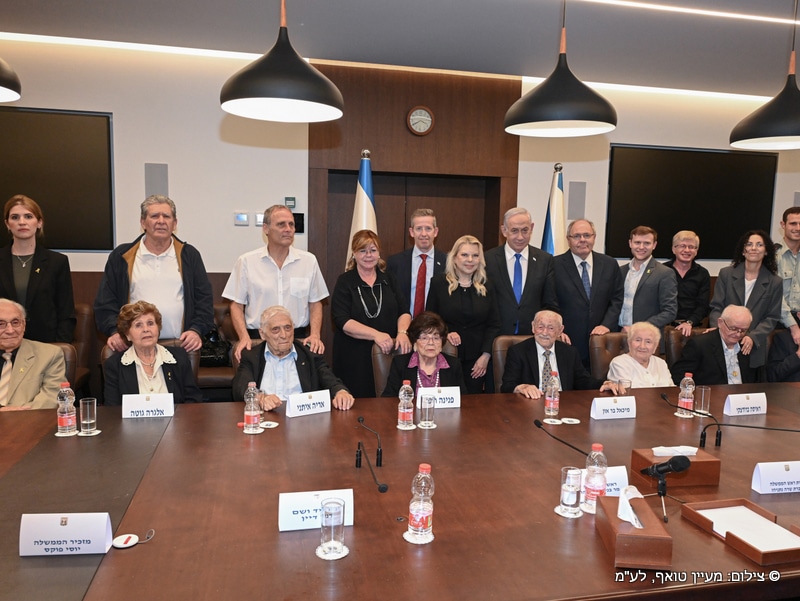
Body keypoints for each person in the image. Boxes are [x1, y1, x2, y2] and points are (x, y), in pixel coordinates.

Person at [95, 195, 214, 354]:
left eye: (166, 216)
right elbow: (105, 302)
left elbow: (204, 300)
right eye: (154, 216)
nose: (161, 221)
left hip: (180, 346)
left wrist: (196, 330)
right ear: (143, 222)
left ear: (174, 223)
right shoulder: (121, 256)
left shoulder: (189, 255)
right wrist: (114, 331)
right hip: (132, 347)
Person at [223, 205, 329, 360]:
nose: (288, 229)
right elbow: (236, 305)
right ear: (266, 228)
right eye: (281, 224)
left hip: (297, 340)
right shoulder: (246, 261)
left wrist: (315, 335)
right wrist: (244, 337)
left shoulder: (309, 261)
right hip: (258, 340)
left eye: (291, 224)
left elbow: (315, 303)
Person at [331, 230, 411, 398]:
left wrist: (403, 333)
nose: (368, 255)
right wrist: (376, 335)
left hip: (387, 352)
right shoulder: (345, 281)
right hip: (354, 357)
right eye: (363, 250)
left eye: (373, 250)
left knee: (388, 400)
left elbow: (404, 311)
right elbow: (342, 321)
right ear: (354, 253)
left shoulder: (389, 279)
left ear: (379, 253)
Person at [233, 306, 354, 410]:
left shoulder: (309, 354)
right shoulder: (251, 356)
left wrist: (341, 392)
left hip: (302, 420)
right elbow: (240, 387)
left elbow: (331, 381)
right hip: (265, 418)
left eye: (287, 328)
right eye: (276, 330)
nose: (284, 335)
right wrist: (260, 398)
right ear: (262, 334)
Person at [426, 235, 500, 393]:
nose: (470, 260)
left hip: (478, 360)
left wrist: (485, 356)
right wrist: (446, 332)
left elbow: (494, 324)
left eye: (475, 255)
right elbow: (430, 319)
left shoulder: (488, 285)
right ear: (454, 258)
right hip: (445, 355)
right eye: (465, 255)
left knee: (473, 403)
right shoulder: (439, 283)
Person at [0, 195, 75, 343]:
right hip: (4, 343)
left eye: (28, 216)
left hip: (45, 344)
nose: (22, 222)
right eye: (15, 217)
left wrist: (58, 347)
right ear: (7, 224)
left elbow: (66, 312)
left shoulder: (57, 262)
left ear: (39, 222)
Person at [103, 301, 202, 405]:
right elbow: (112, 408)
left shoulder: (179, 357)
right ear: (127, 334)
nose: (146, 329)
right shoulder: (114, 365)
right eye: (138, 325)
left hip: (176, 416)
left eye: (150, 323)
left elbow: (193, 400)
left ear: (158, 329)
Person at [500, 310, 618, 398]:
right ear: (533, 327)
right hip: (530, 405)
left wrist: (605, 383)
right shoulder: (518, 351)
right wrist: (521, 387)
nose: (544, 333)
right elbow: (507, 386)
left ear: (560, 331)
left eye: (551, 328)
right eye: (540, 327)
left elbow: (583, 380)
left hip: (563, 404)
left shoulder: (569, 352)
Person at [553, 219, 623, 367]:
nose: (582, 240)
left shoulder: (609, 264)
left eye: (587, 235)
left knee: (600, 381)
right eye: (576, 236)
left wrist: (606, 324)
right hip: (566, 339)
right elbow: (549, 301)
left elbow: (617, 299)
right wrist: (556, 329)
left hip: (602, 341)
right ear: (568, 239)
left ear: (594, 237)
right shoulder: (554, 265)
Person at [708, 230, 781, 370]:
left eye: (759, 244)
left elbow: (772, 317)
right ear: (743, 251)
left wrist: (753, 337)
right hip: (724, 339)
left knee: (747, 382)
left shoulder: (775, 282)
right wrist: (722, 331)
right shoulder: (726, 274)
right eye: (749, 244)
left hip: (752, 345)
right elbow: (716, 307)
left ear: (766, 251)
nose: (754, 248)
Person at [485, 207, 559, 335]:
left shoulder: (545, 260)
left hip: (532, 336)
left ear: (532, 228)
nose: (520, 237)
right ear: (504, 230)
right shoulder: (488, 259)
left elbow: (549, 302)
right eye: (514, 231)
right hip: (496, 335)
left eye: (525, 230)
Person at [0, 298, 65, 410]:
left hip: (29, 418)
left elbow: (51, 396)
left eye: (15, 323)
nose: (10, 330)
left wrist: (15, 414)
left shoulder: (50, 354)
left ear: (24, 325)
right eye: (1, 324)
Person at [381, 311, 466, 397]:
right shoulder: (400, 364)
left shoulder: (454, 365)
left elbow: (463, 399)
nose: (431, 343)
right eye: (424, 338)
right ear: (415, 342)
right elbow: (388, 399)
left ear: (442, 343)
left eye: (436, 338)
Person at [671, 305, 757, 385]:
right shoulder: (699, 344)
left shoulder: (746, 344)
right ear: (720, 323)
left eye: (743, 330)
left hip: (742, 394)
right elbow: (678, 377)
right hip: (712, 394)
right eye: (733, 328)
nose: (738, 334)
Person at [386, 208, 447, 317]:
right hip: (403, 324)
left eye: (428, 228)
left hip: (436, 324)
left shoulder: (447, 262)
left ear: (435, 232)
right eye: (419, 229)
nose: (423, 234)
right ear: (411, 232)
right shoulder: (395, 262)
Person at [618, 226, 677, 332]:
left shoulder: (665, 273)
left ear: (654, 245)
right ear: (630, 243)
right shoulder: (620, 271)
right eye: (637, 242)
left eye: (647, 243)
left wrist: (639, 328)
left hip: (647, 335)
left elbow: (670, 311)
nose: (641, 247)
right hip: (618, 334)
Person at [664, 230, 710, 336]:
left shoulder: (702, 274)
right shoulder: (662, 271)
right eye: (682, 246)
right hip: (665, 326)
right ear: (673, 249)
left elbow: (703, 306)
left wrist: (689, 322)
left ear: (696, 251)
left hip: (692, 327)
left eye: (691, 247)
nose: (687, 250)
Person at [607, 321, 674, 388]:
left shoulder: (661, 363)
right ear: (629, 343)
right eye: (638, 340)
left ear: (655, 346)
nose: (642, 346)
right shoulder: (619, 363)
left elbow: (672, 390)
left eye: (648, 342)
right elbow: (626, 392)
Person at [777, 207, 800, 346]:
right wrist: (793, 326)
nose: (798, 228)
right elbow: (774, 296)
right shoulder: (773, 256)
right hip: (779, 319)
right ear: (783, 225)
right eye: (793, 223)